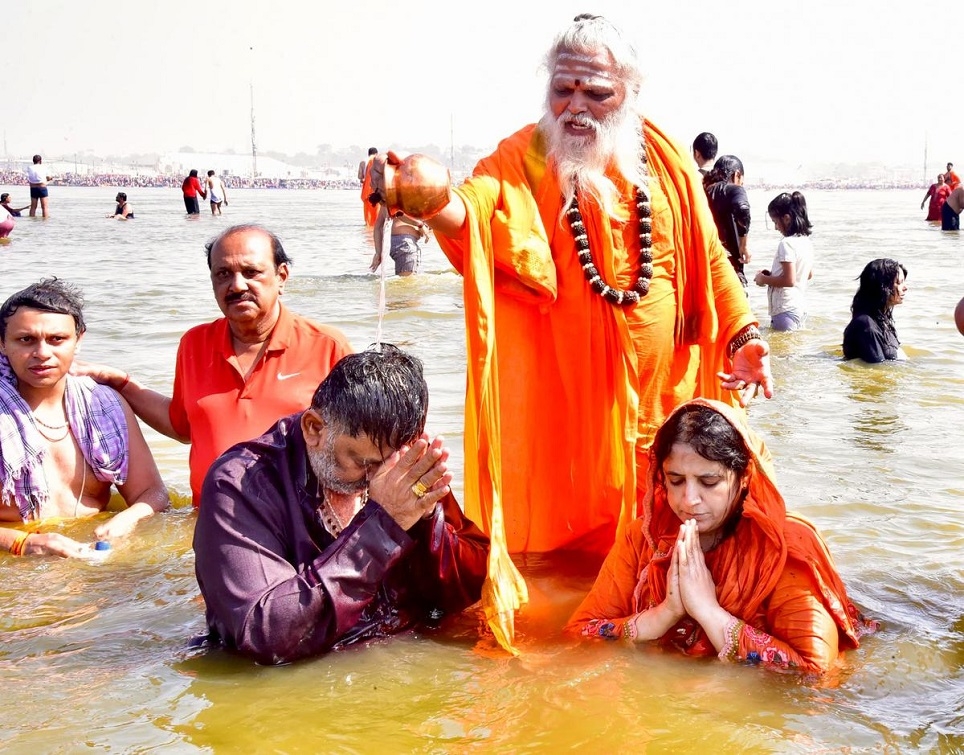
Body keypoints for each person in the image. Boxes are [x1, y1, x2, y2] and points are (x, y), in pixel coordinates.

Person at [369, 14, 772, 558]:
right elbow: (480, 208)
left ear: (629, 93)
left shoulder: (666, 161)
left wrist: (743, 336)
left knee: (679, 541)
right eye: (563, 89)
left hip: (665, 401)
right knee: (572, 563)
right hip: (570, 414)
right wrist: (430, 198)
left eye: (596, 92)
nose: (574, 106)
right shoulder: (528, 155)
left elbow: (711, 260)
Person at [193, 345, 489, 664]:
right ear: (314, 429)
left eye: (390, 466)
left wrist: (427, 521)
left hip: (401, 656)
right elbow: (267, 636)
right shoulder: (240, 484)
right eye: (363, 463)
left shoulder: (402, 464)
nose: (379, 481)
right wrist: (384, 525)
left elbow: (473, 587)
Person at [567, 399, 876, 674]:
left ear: (743, 478)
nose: (689, 500)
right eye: (676, 481)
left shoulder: (783, 549)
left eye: (709, 482)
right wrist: (663, 615)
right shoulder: (645, 539)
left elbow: (817, 675)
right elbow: (580, 633)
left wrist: (710, 613)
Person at [76, 225, 352, 504]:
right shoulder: (195, 344)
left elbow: (358, 442)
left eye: (251, 272)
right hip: (210, 519)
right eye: (223, 274)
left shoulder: (328, 346)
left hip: (297, 524)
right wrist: (119, 382)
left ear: (281, 277)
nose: (237, 285)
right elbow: (182, 426)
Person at [0, 279, 170, 558]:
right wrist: (23, 544)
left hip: (92, 559)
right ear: (2, 344)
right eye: (25, 339)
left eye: (57, 339)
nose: (42, 353)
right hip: (18, 573)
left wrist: (125, 522)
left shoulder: (105, 405)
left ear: (78, 340)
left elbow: (153, 494)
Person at [753, 191, 814, 331]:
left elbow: (789, 280)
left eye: (775, 222)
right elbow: (808, 274)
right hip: (799, 307)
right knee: (794, 351)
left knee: (783, 353)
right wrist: (772, 274)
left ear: (786, 219)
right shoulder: (806, 242)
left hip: (785, 309)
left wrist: (763, 279)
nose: (775, 227)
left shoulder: (786, 243)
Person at [842, 258, 908, 363]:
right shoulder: (867, 326)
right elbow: (877, 369)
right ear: (883, 287)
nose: (905, 288)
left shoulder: (881, 320)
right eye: (899, 282)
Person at [704, 155, 752, 288]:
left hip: (702, 269)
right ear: (737, 175)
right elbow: (743, 209)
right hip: (727, 268)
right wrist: (744, 245)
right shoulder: (733, 189)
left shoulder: (701, 191)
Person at [370, 204, 430, 276]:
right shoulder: (402, 196)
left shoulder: (386, 200)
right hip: (405, 244)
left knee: (401, 282)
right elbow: (397, 213)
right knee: (407, 283)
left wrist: (378, 252)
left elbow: (378, 227)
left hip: (391, 242)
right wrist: (420, 224)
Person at [358, 147, 379, 227]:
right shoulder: (378, 161)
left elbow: (360, 177)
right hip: (376, 191)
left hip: (366, 192)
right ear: (376, 154)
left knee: (368, 215)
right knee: (377, 212)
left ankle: (368, 228)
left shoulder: (363, 162)